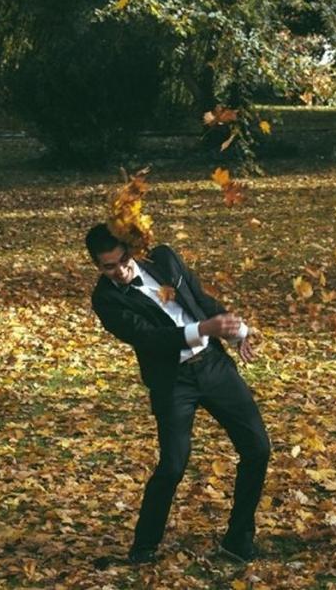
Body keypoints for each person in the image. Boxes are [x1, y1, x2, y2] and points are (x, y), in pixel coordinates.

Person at [86, 223, 270, 564]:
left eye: (123, 260)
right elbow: (149, 338)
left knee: (258, 448)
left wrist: (237, 331)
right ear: (98, 266)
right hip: (172, 381)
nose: (120, 271)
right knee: (172, 465)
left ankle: (238, 540)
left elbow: (200, 299)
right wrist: (202, 329)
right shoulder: (105, 299)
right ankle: (143, 548)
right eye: (108, 267)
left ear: (131, 250)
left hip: (213, 365)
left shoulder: (164, 259)